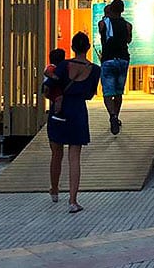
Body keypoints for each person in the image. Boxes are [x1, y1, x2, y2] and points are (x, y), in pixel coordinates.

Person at [44, 33, 101, 213]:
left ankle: (54, 190)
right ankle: (73, 200)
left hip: (59, 110)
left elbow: (48, 87)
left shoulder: (63, 65)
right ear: (88, 48)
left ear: (72, 47)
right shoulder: (95, 69)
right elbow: (90, 95)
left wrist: (57, 98)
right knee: (74, 157)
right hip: (78, 111)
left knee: (56, 152)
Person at [98, 0, 132, 135]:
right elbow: (128, 40)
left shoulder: (103, 23)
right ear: (122, 10)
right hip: (123, 59)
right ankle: (116, 117)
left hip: (108, 59)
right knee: (118, 92)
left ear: (111, 9)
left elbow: (102, 33)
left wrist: (106, 16)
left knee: (107, 93)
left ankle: (112, 116)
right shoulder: (128, 25)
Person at [43, 49, 67, 121]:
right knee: (58, 99)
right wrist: (56, 77)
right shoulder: (52, 67)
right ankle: (57, 113)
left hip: (50, 89)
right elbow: (47, 72)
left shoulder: (52, 67)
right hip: (52, 89)